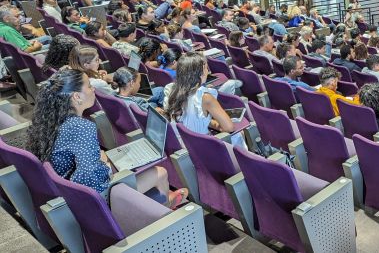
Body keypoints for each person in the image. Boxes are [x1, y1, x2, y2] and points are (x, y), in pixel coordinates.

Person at [26, 69, 185, 207]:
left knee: (114, 159)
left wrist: (100, 160)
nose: (93, 88)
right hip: (96, 201)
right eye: (89, 86)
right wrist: (106, 167)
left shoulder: (52, 120)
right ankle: (165, 209)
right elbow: (88, 181)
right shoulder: (81, 127)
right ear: (77, 97)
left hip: (67, 194)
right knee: (160, 172)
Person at [164, 52, 243, 148]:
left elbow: (192, 119)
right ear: (199, 73)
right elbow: (230, 128)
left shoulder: (171, 90)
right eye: (206, 68)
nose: (208, 72)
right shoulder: (205, 98)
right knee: (238, 133)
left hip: (185, 145)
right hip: (204, 147)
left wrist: (214, 124)